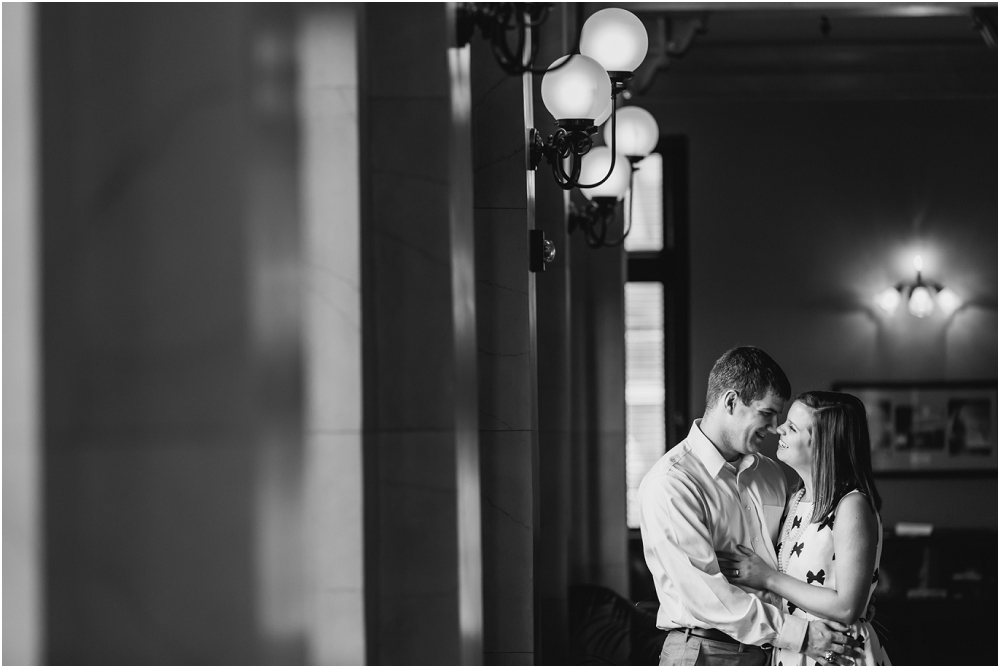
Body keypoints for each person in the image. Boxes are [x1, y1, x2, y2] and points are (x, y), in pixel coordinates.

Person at [638, 347, 862, 666]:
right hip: (707, 652)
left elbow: (797, 559)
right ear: (731, 402)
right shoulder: (671, 484)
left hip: (774, 655)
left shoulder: (770, 473)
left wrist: (853, 605)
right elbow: (707, 598)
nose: (773, 429)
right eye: (767, 413)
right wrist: (801, 635)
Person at [717, 391, 891, 666]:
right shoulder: (795, 499)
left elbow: (847, 607)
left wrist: (767, 577)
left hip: (837, 653)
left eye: (792, 427)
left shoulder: (851, 505)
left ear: (823, 446)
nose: (779, 429)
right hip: (796, 648)